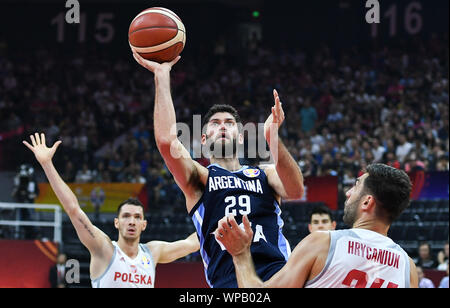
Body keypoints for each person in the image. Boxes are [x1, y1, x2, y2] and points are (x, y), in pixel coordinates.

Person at [132, 51, 304, 288]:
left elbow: (295, 190)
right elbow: (165, 141)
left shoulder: (264, 173)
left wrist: (272, 137)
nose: (223, 127)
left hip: (277, 278)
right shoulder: (200, 178)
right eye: (215, 123)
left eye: (229, 123)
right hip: (228, 284)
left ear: (241, 137)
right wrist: (162, 75)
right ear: (204, 139)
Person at [23, 133, 200, 288]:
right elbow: (73, 209)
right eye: (126, 216)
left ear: (144, 224)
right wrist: (47, 164)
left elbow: (192, 243)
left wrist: (223, 215)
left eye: (137, 217)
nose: (132, 221)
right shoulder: (104, 249)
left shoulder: (153, 252)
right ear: (116, 222)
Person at [216, 163, 419, 288]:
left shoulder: (324, 242)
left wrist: (241, 254)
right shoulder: (407, 267)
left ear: (367, 202)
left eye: (355, 186)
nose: (348, 193)